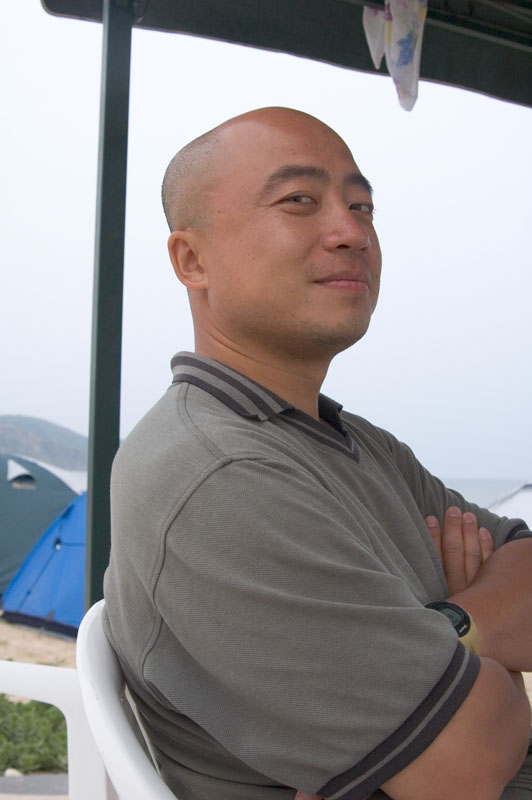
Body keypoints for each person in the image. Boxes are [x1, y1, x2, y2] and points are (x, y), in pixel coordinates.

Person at [103, 107, 532, 800]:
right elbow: (465, 767)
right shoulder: (220, 473)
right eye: (299, 200)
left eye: (362, 207)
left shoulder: (354, 442)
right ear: (192, 261)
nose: (351, 232)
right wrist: (497, 663)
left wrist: (456, 628)